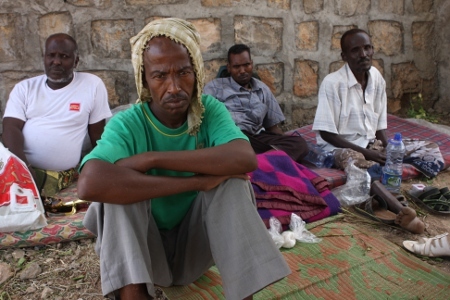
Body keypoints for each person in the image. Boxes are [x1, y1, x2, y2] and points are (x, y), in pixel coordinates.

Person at [77, 18, 291, 300]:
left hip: (196, 248)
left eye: (183, 72)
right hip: (143, 252)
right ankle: (133, 295)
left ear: (197, 72)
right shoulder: (128, 123)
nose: (174, 87)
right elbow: (90, 183)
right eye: (160, 76)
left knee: (232, 185)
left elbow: (243, 157)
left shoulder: (209, 110)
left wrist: (152, 159)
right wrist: (197, 182)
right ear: (144, 79)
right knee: (117, 197)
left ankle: (243, 295)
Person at [2, 33, 111, 196]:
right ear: (44, 58)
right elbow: (10, 129)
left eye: (64, 56)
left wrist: (103, 171)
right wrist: (23, 169)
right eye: (51, 55)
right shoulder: (25, 88)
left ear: (76, 61)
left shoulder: (91, 85)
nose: (56, 61)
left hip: (55, 175)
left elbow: (98, 137)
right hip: (18, 165)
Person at [204, 44, 308, 163]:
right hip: (231, 136)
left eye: (246, 65)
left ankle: (256, 161)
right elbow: (205, 120)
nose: (242, 71)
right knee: (232, 147)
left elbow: (273, 128)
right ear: (228, 68)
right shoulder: (214, 87)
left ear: (251, 64)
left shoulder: (262, 89)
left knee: (300, 144)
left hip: (256, 139)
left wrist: (286, 141)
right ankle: (266, 160)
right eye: (236, 67)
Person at [312, 29, 388, 170]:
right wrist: (367, 153)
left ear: (372, 50)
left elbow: (379, 126)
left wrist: (389, 149)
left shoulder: (376, 77)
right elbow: (327, 134)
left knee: (428, 149)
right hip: (341, 147)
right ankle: (375, 177)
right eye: (355, 50)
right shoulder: (332, 83)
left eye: (367, 48)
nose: (363, 55)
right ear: (344, 56)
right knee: (355, 162)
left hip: (371, 144)